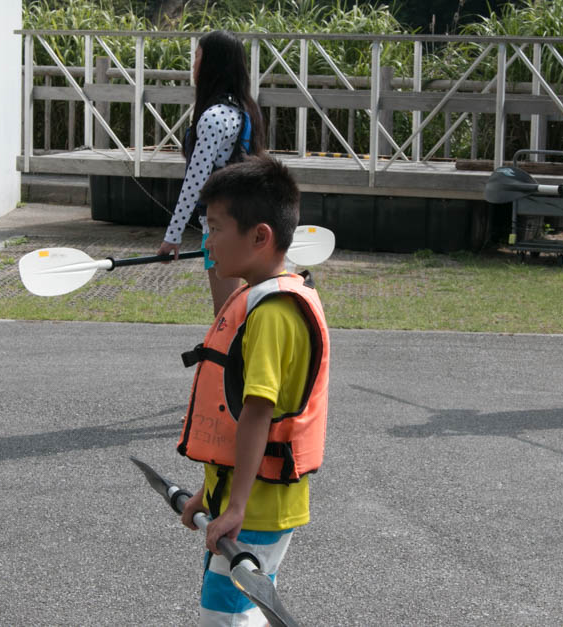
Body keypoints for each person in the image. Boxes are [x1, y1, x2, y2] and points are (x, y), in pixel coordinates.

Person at [175, 155, 329, 626]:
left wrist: (236, 506)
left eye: (217, 228)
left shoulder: (273, 313)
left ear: (260, 236)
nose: (207, 241)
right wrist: (211, 492)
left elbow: (257, 413)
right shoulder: (257, 297)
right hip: (245, 499)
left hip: (258, 505)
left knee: (224, 618)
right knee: (245, 610)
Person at [156, 30, 265, 316]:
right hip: (242, 218)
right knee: (234, 312)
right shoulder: (245, 109)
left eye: (197, 57)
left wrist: (173, 236)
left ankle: (232, 361)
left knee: (226, 316)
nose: (193, 65)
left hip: (222, 227)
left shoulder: (214, 116)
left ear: (212, 64)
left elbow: (195, 181)